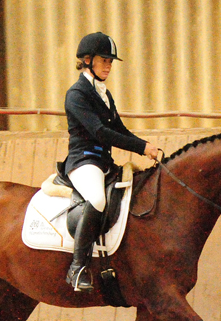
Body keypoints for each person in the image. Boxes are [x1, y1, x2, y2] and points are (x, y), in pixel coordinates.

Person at [64, 32, 159, 292]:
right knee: (97, 199)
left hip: (104, 162)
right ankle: (77, 267)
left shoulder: (104, 94)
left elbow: (120, 129)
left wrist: (146, 148)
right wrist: (141, 147)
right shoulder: (77, 95)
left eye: (110, 62)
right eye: (104, 60)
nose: (108, 66)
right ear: (87, 60)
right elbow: (101, 133)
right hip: (84, 161)